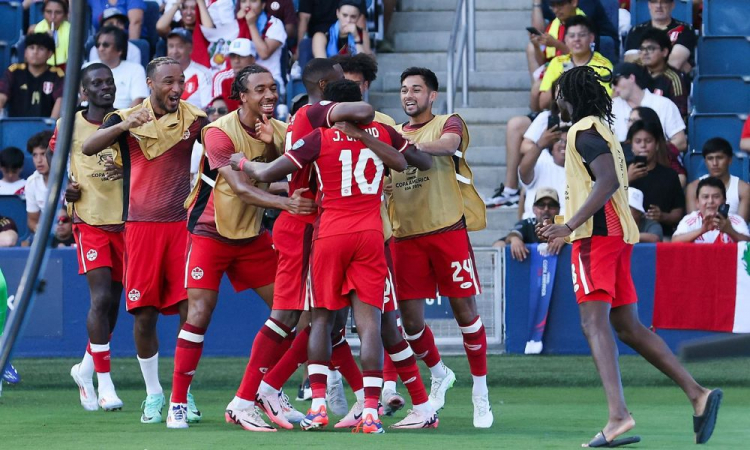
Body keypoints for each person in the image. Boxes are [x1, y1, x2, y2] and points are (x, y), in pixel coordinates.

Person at [538, 65, 721, 447]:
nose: (556, 100)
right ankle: (698, 394)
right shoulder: (601, 129)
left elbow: (605, 182)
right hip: (616, 235)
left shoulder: (582, 131)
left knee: (594, 322)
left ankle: (618, 414)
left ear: (569, 95)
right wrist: (563, 223)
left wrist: (569, 226)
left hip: (596, 237)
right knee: (627, 327)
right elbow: (601, 182)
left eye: (559, 94)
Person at [230, 78, 412, 435]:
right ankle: (371, 411)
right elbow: (404, 163)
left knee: (322, 320)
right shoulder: (381, 133)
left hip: (330, 232)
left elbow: (268, 172)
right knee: (370, 324)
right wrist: (364, 137)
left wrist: (242, 164)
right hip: (371, 233)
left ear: (332, 107)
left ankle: (316, 408)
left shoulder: (320, 136)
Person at [167, 64, 309, 430]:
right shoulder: (218, 132)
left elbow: (290, 175)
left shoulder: (279, 130)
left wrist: (276, 147)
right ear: (241, 96)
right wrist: (287, 204)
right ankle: (178, 402)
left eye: (273, 88)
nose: (270, 95)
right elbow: (243, 188)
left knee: (296, 313)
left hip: (251, 238)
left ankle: (267, 389)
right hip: (210, 233)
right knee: (198, 315)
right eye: (260, 89)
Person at [82, 57, 208, 425]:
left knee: (190, 310)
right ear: (151, 84)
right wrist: (125, 123)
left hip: (180, 227)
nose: (176, 88)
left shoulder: (194, 119)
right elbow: (90, 147)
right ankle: (154, 394)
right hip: (140, 228)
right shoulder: (127, 118)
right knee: (144, 314)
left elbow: (218, 146)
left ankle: (184, 395)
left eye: (180, 81)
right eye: (169, 82)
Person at [390, 67, 492, 428]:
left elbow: (448, 148)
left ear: (431, 95)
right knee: (411, 322)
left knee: (466, 312)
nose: (409, 96)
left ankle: (480, 392)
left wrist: (407, 146)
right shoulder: (394, 134)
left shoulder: (450, 122)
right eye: (404, 90)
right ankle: (439, 372)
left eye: (416, 89)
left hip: (447, 230)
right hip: (405, 237)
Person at [54, 64, 126, 412]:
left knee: (113, 305)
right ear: (83, 92)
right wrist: (63, 188)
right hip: (90, 219)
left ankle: (84, 370)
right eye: (96, 83)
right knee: (99, 299)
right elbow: (52, 167)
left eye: (109, 82)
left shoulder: (126, 121)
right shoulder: (69, 125)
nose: (105, 87)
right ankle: (105, 384)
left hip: (127, 221)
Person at [538, 16, 611, 111]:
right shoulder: (557, 62)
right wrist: (562, 81)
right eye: (572, 36)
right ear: (566, 40)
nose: (577, 39)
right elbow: (543, 103)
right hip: (560, 114)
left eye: (582, 35)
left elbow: (606, 100)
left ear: (591, 38)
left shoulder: (603, 65)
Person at [626, 120, 685, 236]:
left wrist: (663, 216)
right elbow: (607, 204)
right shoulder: (620, 171)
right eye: (638, 141)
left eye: (648, 141)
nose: (643, 146)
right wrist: (627, 180)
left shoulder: (670, 175)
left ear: (657, 145)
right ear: (631, 146)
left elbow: (678, 212)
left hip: (661, 236)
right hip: (624, 235)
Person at [611, 62, 686, 151]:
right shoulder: (611, 107)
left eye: (616, 81)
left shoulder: (664, 104)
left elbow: (681, 142)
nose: (613, 87)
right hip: (622, 162)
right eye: (610, 84)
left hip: (659, 162)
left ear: (631, 78)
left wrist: (651, 152)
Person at [527, 0, 583, 112]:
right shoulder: (555, 24)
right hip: (554, 67)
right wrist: (537, 46)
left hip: (574, 70)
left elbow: (581, 56)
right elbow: (542, 61)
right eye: (553, 6)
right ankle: (538, 116)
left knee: (538, 90)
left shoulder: (582, 24)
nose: (556, 10)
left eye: (561, 5)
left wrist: (556, 44)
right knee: (535, 91)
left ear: (574, 3)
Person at [685, 138, 750, 222]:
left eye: (719, 158)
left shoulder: (744, 189)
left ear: (730, 160)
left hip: (732, 233)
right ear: (705, 162)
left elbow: (741, 227)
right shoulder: (693, 188)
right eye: (710, 158)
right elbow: (692, 224)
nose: (715, 163)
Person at [0, 33, 63, 118]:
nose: (35, 52)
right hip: (15, 127)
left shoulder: (57, 74)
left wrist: (51, 126)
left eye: (41, 48)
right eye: (31, 48)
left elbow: (61, 101)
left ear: (50, 54)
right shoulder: (14, 71)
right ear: (25, 52)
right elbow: (2, 96)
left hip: (46, 127)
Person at [624, 0, 696, 73]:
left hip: (671, 81)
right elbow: (631, 63)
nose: (659, 6)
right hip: (640, 81)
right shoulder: (636, 30)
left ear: (672, 5)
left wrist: (644, 60)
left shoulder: (685, 29)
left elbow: (675, 63)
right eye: (654, 1)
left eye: (664, 1)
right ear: (649, 5)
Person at [493, 188, 566, 260]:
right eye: (541, 205)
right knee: (499, 245)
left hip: (560, 269)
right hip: (529, 269)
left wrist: (566, 238)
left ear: (558, 209)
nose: (546, 209)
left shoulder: (564, 225)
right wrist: (515, 240)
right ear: (534, 209)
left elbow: (575, 234)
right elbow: (512, 235)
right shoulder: (528, 223)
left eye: (552, 205)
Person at [673, 177, 750, 244]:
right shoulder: (690, 220)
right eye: (705, 197)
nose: (710, 201)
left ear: (724, 201)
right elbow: (674, 241)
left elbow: (748, 244)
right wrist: (701, 231)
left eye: (716, 197)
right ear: (697, 202)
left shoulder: (736, 221)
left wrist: (730, 231)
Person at [635, 28, 689, 120]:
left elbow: (679, 116)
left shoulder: (674, 79)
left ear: (664, 52)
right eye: (642, 49)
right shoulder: (634, 72)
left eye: (650, 49)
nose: (644, 53)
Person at [625, 106, 685, 186]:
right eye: (629, 120)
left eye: (634, 121)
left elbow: (680, 177)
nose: (643, 145)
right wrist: (627, 179)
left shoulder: (667, 153)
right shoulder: (621, 153)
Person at [518, 121, 567, 220]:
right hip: (535, 227)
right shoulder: (542, 161)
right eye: (560, 141)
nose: (564, 145)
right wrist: (540, 144)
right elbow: (523, 171)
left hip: (570, 230)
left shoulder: (584, 169)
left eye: (569, 142)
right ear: (552, 147)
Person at [91, 26, 149, 109]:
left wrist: (122, 120)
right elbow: (82, 99)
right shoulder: (88, 68)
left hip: (124, 118)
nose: (100, 49)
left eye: (105, 45)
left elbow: (139, 101)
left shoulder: (135, 69)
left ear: (119, 50)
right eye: (98, 45)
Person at [237, 0, 287, 94]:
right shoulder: (236, 23)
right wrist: (241, 24)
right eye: (243, 1)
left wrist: (251, 25)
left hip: (269, 80)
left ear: (263, 5)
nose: (247, 5)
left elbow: (264, 53)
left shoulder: (275, 23)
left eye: (253, 1)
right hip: (243, 79)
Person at [167, 28, 213, 109]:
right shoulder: (161, 74)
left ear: (190, 49)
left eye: (180, 46)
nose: (174, 51)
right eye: (171, 46)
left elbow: (207, 109)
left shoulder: (203, 73)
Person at [212, 38, 257, 112]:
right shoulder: (222, 78)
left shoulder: (264, 76)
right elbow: (218, 107)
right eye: (233, 56)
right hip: (229, 121)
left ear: (252, 58)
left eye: (241, 56)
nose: (236, 61)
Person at [24, 130, 53, 234]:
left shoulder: (70, 176)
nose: (39, 160)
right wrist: (41, 231)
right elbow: (32, 220)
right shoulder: (31, 182)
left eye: (43, 154)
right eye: (34, 155)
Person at [30, 0, 70, 67]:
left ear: (65, 15)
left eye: (58, 12)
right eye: (48, 12)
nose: (53, 17)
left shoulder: (71, 30)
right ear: (43, 13)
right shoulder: (38, 28)